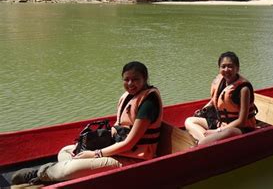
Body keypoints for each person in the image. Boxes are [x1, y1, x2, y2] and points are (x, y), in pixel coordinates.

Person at [11, 61, 163, 185]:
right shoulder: (129, 96)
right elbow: (119, 127)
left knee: (69, 169)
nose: (130, 83)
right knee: (65, 151)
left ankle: (41, 173)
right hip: (118, 149)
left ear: (145, 78)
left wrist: (95, 154)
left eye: (135, 79)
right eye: (126, 79)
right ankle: (68, 170)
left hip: (135, 158)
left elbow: (130, 143)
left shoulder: (148, 102)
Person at [185, 52, 257, 146]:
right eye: (223, 66)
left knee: (227, 133)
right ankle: (207, 141)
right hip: (221, 123)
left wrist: (217, 131)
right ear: (219, 68)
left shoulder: (243, 89)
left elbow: (242, 121)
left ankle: (205, 141)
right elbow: (215, 100)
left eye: (230, 66)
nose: (226, 70)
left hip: (238, 128)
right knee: (190, 121)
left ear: (237, 68)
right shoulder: (221, 82)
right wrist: (203, 110)